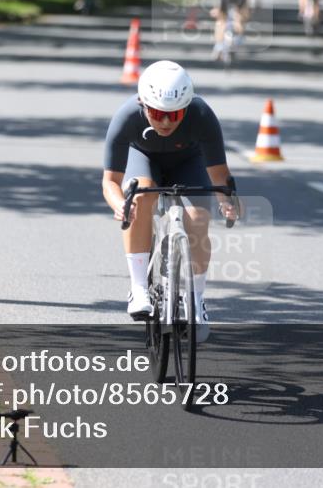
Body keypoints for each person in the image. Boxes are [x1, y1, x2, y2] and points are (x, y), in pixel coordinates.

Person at [101, 61, 239, 342]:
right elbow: (110, 182)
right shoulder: (127, 116)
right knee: (142, 196)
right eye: (157, 113)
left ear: (186, 108)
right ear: (143, 105)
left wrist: (228, 202)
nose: (165, 122)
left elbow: (219, 175)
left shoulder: (202, 115)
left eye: (174, 114)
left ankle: (196, 300)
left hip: (188, 161)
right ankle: (139, 288)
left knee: (198, 218)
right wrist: (120, 204)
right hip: (143, 157)